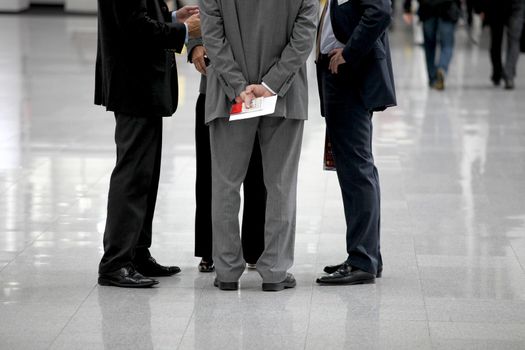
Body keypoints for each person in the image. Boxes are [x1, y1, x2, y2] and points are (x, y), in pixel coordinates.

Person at [199, 0, 318, 292]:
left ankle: (226, 271)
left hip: (230, 99)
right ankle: (275, 271)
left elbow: (212, 37)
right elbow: (303, 37)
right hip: (284, 97)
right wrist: (271, 85)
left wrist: (239, 86)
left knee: (226, 184)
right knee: (280, 184)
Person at [95, 0, 200, 288]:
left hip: (144, 85)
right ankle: (116, 262)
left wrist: (172, 16)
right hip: (134, 84)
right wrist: (182, 30)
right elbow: (135, 28)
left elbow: (141, 13)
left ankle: (137, 252)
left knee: (146, 175)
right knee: (132, 175)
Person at [315, 0, 396, 285]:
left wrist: (350, 52)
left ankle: (362, 259)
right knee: (356, 169)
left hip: (349, 74)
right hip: (337, 73)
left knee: (357, 170)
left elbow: (380, 12)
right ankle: (368, 254)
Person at [186, 37, 266, 273]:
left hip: (256, 88)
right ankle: (211, 248)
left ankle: (256, 248)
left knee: (258, 171)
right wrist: (194, 44)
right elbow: (201, 15)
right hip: (215, 86)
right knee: (211, 171)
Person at [403, 0, 462, 90]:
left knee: (429, 46)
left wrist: (407, 8)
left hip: (427, 8)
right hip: (448, 8)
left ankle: (433, 78)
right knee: (447, 45)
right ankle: (442, 68)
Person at [478, 0, 525, 89]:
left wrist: (479, 8)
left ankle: (498, 72)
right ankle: (508, 74)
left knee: (496, 40)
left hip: (497, 5)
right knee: (513, 40)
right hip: (515, 5)